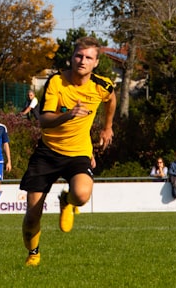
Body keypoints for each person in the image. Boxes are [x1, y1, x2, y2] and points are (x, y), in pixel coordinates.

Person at [20, 36, 116, 266]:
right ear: (72, 58)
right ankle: (33, 254)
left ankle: (67, 200)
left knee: (82, 195)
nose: (82, 61)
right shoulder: (56, 82)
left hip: (78, 153)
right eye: (79, 56)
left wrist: (107, 127)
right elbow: (44, 120)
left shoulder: (102, 85)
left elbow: (111, 99)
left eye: (88, 58)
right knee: (33, 215)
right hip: (48, 152)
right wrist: (68, 114)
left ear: (96, 63)